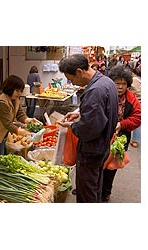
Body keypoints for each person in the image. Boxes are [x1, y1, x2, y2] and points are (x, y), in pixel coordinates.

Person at [57, 54, 118, 203]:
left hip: (92, 150)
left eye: (71, 79)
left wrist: (73, 126)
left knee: (87, 192)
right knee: (95, 186)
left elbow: (91, 129)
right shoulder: (106, 82)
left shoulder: (95, 90)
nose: (73, 83)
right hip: (102, 146)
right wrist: (78, 113)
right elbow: (99, 113)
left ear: (79, 71)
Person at [102, 65, 141, 202]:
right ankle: (94, 188)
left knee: (112, 167)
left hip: (121, 138)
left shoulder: (131, 98)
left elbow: (138, 117)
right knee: (99, 163)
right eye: (117, 83)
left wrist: (122, 124)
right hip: (102, 136)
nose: (120, 86)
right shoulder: (105, 94)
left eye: (123, 83)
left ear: (128, 84)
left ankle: (106, 191)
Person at [0, 75, 40, 156]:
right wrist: (21, 132)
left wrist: (28, 120)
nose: (19, 93)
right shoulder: (1, 102)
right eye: (17, 90)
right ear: (10, 88)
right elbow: (7, 123)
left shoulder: (16, 99)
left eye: (20, 91)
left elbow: (19, 113)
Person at [130, 67, 141, 147]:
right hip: (138, 101)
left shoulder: (134, 80)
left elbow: (136, 91)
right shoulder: (139, 79)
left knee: (136, 119)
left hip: (138, 101)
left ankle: (135, 140)